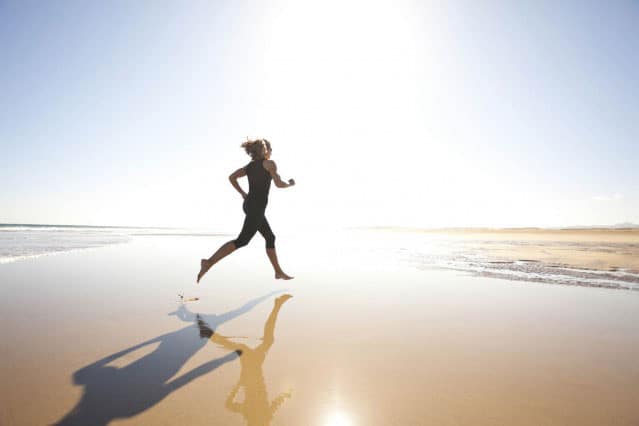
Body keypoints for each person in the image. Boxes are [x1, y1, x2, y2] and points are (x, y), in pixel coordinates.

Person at [197, 138, 295, 283]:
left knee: (270, 237)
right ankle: (209, 262)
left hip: (251, 206)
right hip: (256, 208)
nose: (271, 151)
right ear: (264, 150)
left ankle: (278, 272)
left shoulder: (249, 167)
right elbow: (279, 184)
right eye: (269, 148)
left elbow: (232, 177)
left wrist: (243, 194)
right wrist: (290, 184)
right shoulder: (269, 164)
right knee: (242, 240)